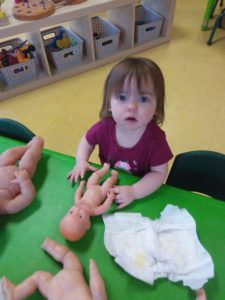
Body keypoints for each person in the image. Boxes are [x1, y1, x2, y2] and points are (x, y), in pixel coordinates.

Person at [67, 57, 173, 209]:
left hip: (138, 189)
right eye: (122, 97)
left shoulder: (156, 140)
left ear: (157, 106)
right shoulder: (104, 127)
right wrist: (81, 160)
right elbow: (87, 141)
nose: (131, 106)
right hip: (105, 181)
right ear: (109, 103)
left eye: (143, 99)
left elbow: (159, 173)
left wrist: (135, 191)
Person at [0, 237, 107, 300]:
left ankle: (15, 293)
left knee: (67, 256)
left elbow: (98, 291)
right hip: (56, 292)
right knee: (37, 277)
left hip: (70, 278)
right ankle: (15, 293)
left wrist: (93, 268)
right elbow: (98, 291)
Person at [61, 163, 117, 241]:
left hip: (90, 187)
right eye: (80, 216)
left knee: (94, 176)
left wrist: (81, 186)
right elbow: (104, 207)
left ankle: (104, 169)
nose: (78, 209)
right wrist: (110, 197)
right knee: (108, 183)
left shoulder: (77, 202)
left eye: (71, 212)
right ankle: (114, 176)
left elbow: (78, 193)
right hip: (102, 191)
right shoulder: (93, 211)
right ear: (87, 224)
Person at [0, 136, 44, 214]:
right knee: (30, 158)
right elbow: (27, 197)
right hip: (21, 173)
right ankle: (37, 146)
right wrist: (25, 181)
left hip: (1, 165)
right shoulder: (6, 208)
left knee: (10, 153)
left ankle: (27, 147)